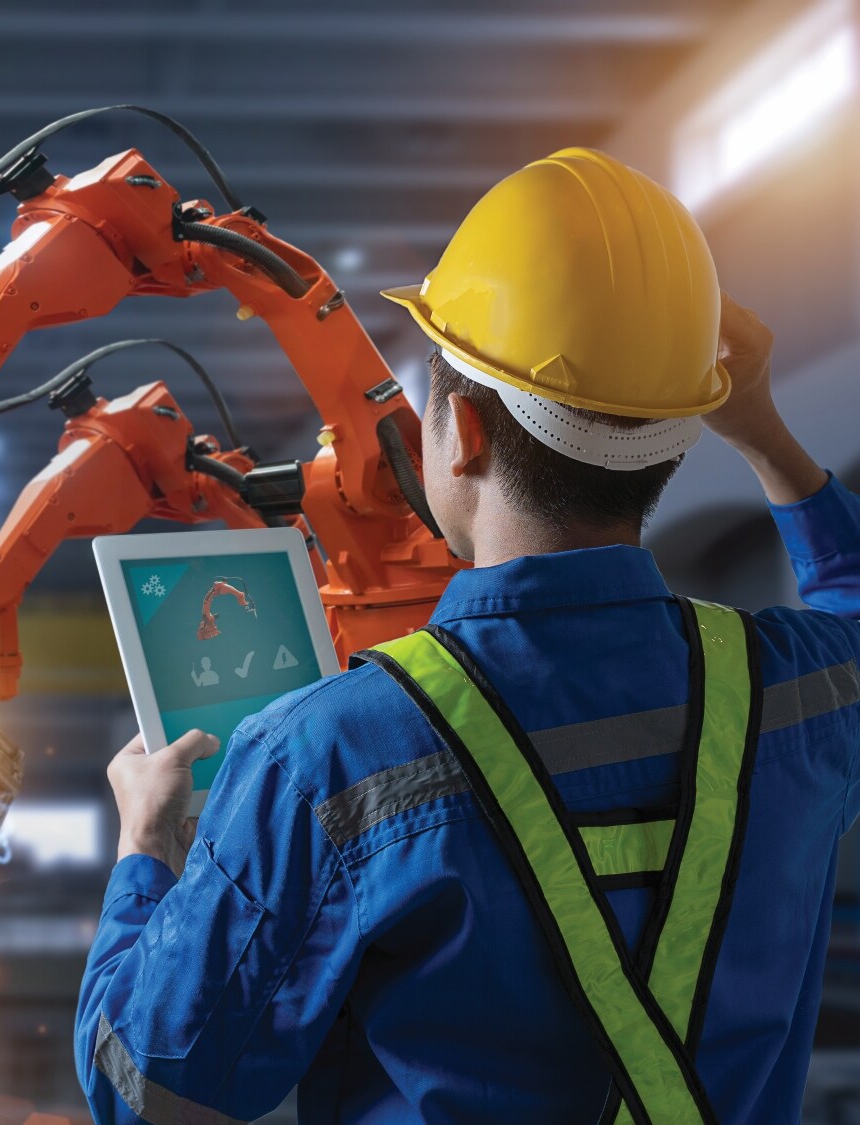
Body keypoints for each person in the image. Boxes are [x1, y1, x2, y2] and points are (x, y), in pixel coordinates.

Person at [74, 147, 860, 1124]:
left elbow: (143, 1087)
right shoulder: (796, 694)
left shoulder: (325, 755)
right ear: (678, 430)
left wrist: (145, 848)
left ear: (466, 431)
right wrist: (761, 431)